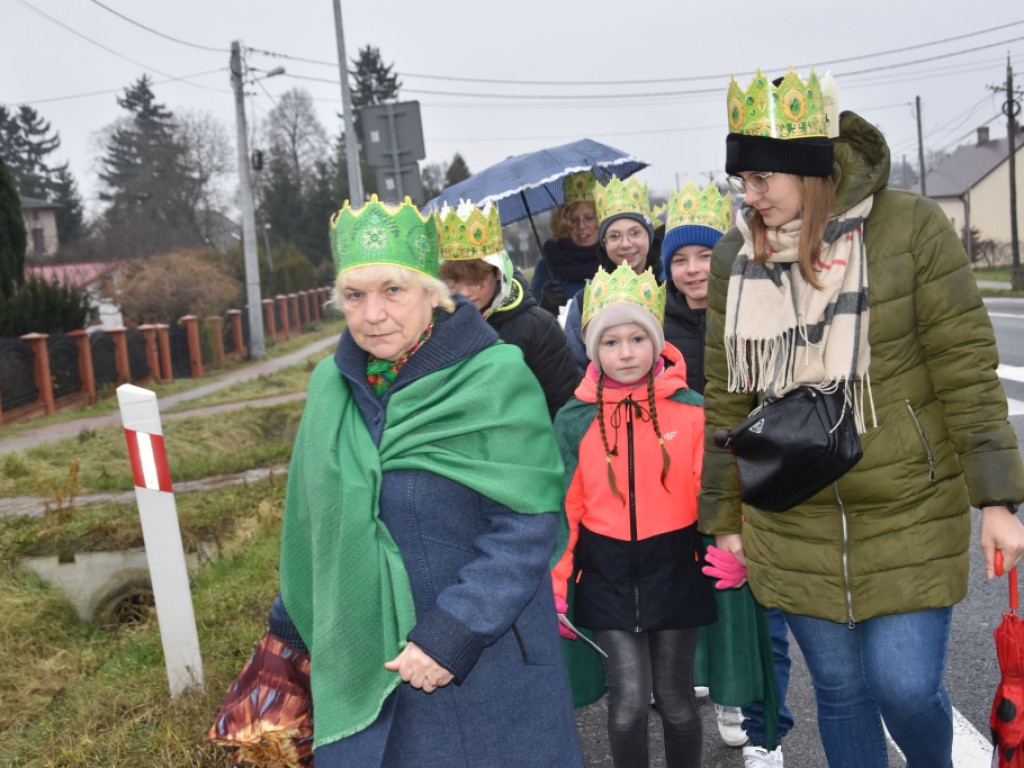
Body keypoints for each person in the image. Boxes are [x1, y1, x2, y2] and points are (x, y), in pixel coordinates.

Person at [699, 68, 1024, 768]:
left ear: (809, 170)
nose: (748, 197)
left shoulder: (909, 227)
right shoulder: (737, 256)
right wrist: (724, 517)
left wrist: (997, 499)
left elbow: (966, 366)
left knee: (904, 686)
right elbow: (727, 396)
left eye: (760, 180)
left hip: (907, 500)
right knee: (842, 693)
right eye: (743, 183)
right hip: (793, 511)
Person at [268, 195, 584, 767]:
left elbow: (527, 526)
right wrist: (291, 630)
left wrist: (452, 633)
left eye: (393, 290)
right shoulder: (329, 388)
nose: (371, 314)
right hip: (362, 656)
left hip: (479, 667)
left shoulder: (494, 377)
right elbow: (314, 516)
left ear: (431, 293)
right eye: (355, 296)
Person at [552, 261, 716, 768]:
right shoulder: (576, 417)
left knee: (676, 701)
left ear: (657, 342)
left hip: (675, 568)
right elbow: (565, 506)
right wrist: (557, 580)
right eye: (610, 342)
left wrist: (734, 542)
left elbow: (711, 492)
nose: (625, 353)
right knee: (625, 705)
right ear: (592, 350)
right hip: (606, 574)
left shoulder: (690, 411)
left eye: (637, 339)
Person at [662, 182, 794, 765]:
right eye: (680, 259)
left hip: (752, 485)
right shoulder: (651, 324)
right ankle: (727, 694)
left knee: (766, 614)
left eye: (704, 255)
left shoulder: (757, 306)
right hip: (676, 497)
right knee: (704, 608)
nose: (693, 271)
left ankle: (768, 731)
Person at [437, 199, 580, 419]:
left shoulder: (538, 329)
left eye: (475, 280)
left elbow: (564, 410)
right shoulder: (431, 330)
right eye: (454, 281)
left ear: (498, 274)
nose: (464, 293)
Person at [563, 175, 664, 376]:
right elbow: (575, 368)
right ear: (604, 243)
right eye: (615, 236)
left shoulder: (672, 289)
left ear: (649, 236)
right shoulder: (586, 300)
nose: (626, 244)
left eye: (635, 233)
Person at [531, 171, 602, 315]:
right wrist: (544, 306)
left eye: (589, 218)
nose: (581, 226)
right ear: (564, 224)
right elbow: (531, 324)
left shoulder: (614, 258)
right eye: (574, 220)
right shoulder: (548, 266)